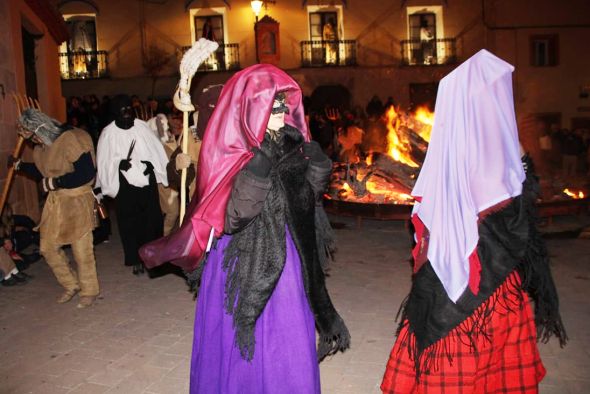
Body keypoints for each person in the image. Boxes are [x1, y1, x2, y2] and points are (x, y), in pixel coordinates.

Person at [140, 64, 350, 393]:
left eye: (284, 102)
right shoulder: (232, 152)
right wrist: (258, 171)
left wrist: (319, 169)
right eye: (273, 104)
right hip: (242, 256)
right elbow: (235, 217)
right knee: (243, 339)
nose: (282, 110)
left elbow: (306, 201)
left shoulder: (293, 145)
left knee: (287, 334)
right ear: (253, 107)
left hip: (288, 253)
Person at [381, 50, 566, 393]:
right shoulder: (474, 148)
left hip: (492, 277)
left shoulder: (492, 144)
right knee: (464, 357)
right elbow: (512, 209)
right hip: (473, 275)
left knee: (484, 355)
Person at [13, 108, 99, 308]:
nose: (31, 140)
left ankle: (89, 290)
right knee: (47, 247)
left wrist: (55, 182)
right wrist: (20, 166)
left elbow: (86, 173)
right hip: (56, 204)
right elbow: (44, 169)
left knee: (81, 251)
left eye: (32, 134)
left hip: (77, 201)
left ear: (39, 129)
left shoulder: (71, 139)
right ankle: (71, 284)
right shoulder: (41, 147)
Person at [96, 95, 168, 275]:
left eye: (129, 109)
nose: (127, 113)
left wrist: (151, 166)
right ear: (116, 113)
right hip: (124, 185)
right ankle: (135, 258)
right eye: (123, 111)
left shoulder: (142, 128)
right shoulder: (108, 134)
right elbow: (104, 161)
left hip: (146, 180)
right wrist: (119, 165)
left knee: (152, 220)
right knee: (130, 223)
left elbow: (156, 151)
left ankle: (152, 259)